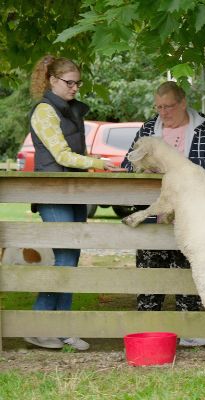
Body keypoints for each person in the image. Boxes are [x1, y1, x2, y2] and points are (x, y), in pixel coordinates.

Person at [122, 81, 205, 347]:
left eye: (169, 106)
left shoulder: (203, 128)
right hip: (151, 211)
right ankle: (148, 333)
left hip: (188, 214)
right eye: (159, 107)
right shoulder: (149, 128)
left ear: (183, 103)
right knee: (149, 273)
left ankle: (190, 330)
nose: (163, 113)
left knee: (186, 271)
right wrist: (144, 168)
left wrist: (178, 166)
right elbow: (127, 162)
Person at [25, 55, 118, 351]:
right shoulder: (44, 111)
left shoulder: (69, 111)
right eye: (69, 82)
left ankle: (63, 329)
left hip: (74, 192)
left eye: (78, 82)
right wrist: (99, 163)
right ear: (53, 81)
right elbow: (62, 156)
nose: (75, 87)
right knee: (64, 258)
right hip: (53, 193)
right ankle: (39, 327)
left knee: (72, 259)